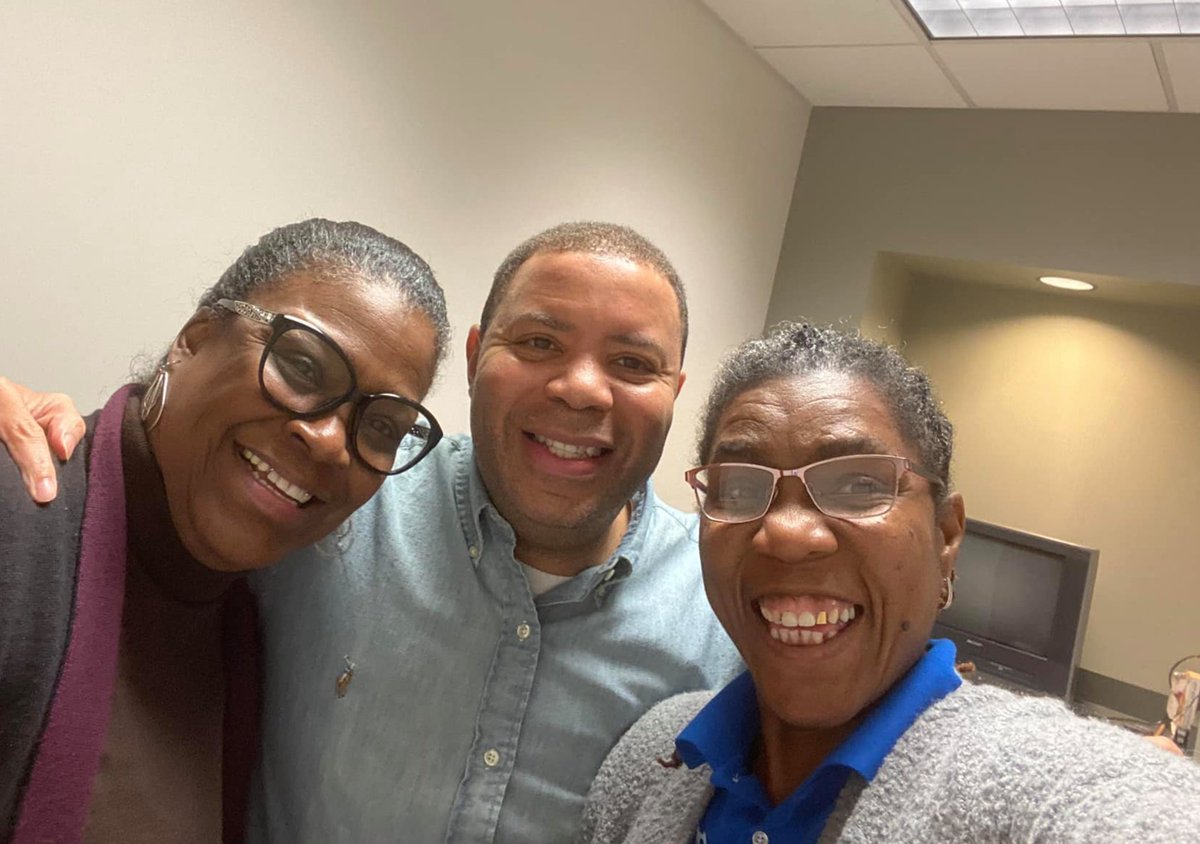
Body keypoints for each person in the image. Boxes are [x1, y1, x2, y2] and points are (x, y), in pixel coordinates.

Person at [0, 222, 743, 842]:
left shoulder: (725, 620)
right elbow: (153, 488)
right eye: (540, 342)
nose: (580, 387)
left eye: (631, 362)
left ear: (674, 391)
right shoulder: (331, 510)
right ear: (477, 355)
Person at [579, 322, 1200, 843]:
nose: (789, 535)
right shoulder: (654, 756)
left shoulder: (1053, 787)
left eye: (860, 484)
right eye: (740, 486)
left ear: (947, 537)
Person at [0, 218, 449, 844]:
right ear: (195, 339)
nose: (328, 442)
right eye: (301, 365)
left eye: (380, 428)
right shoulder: (19, 516)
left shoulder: (253, 626)